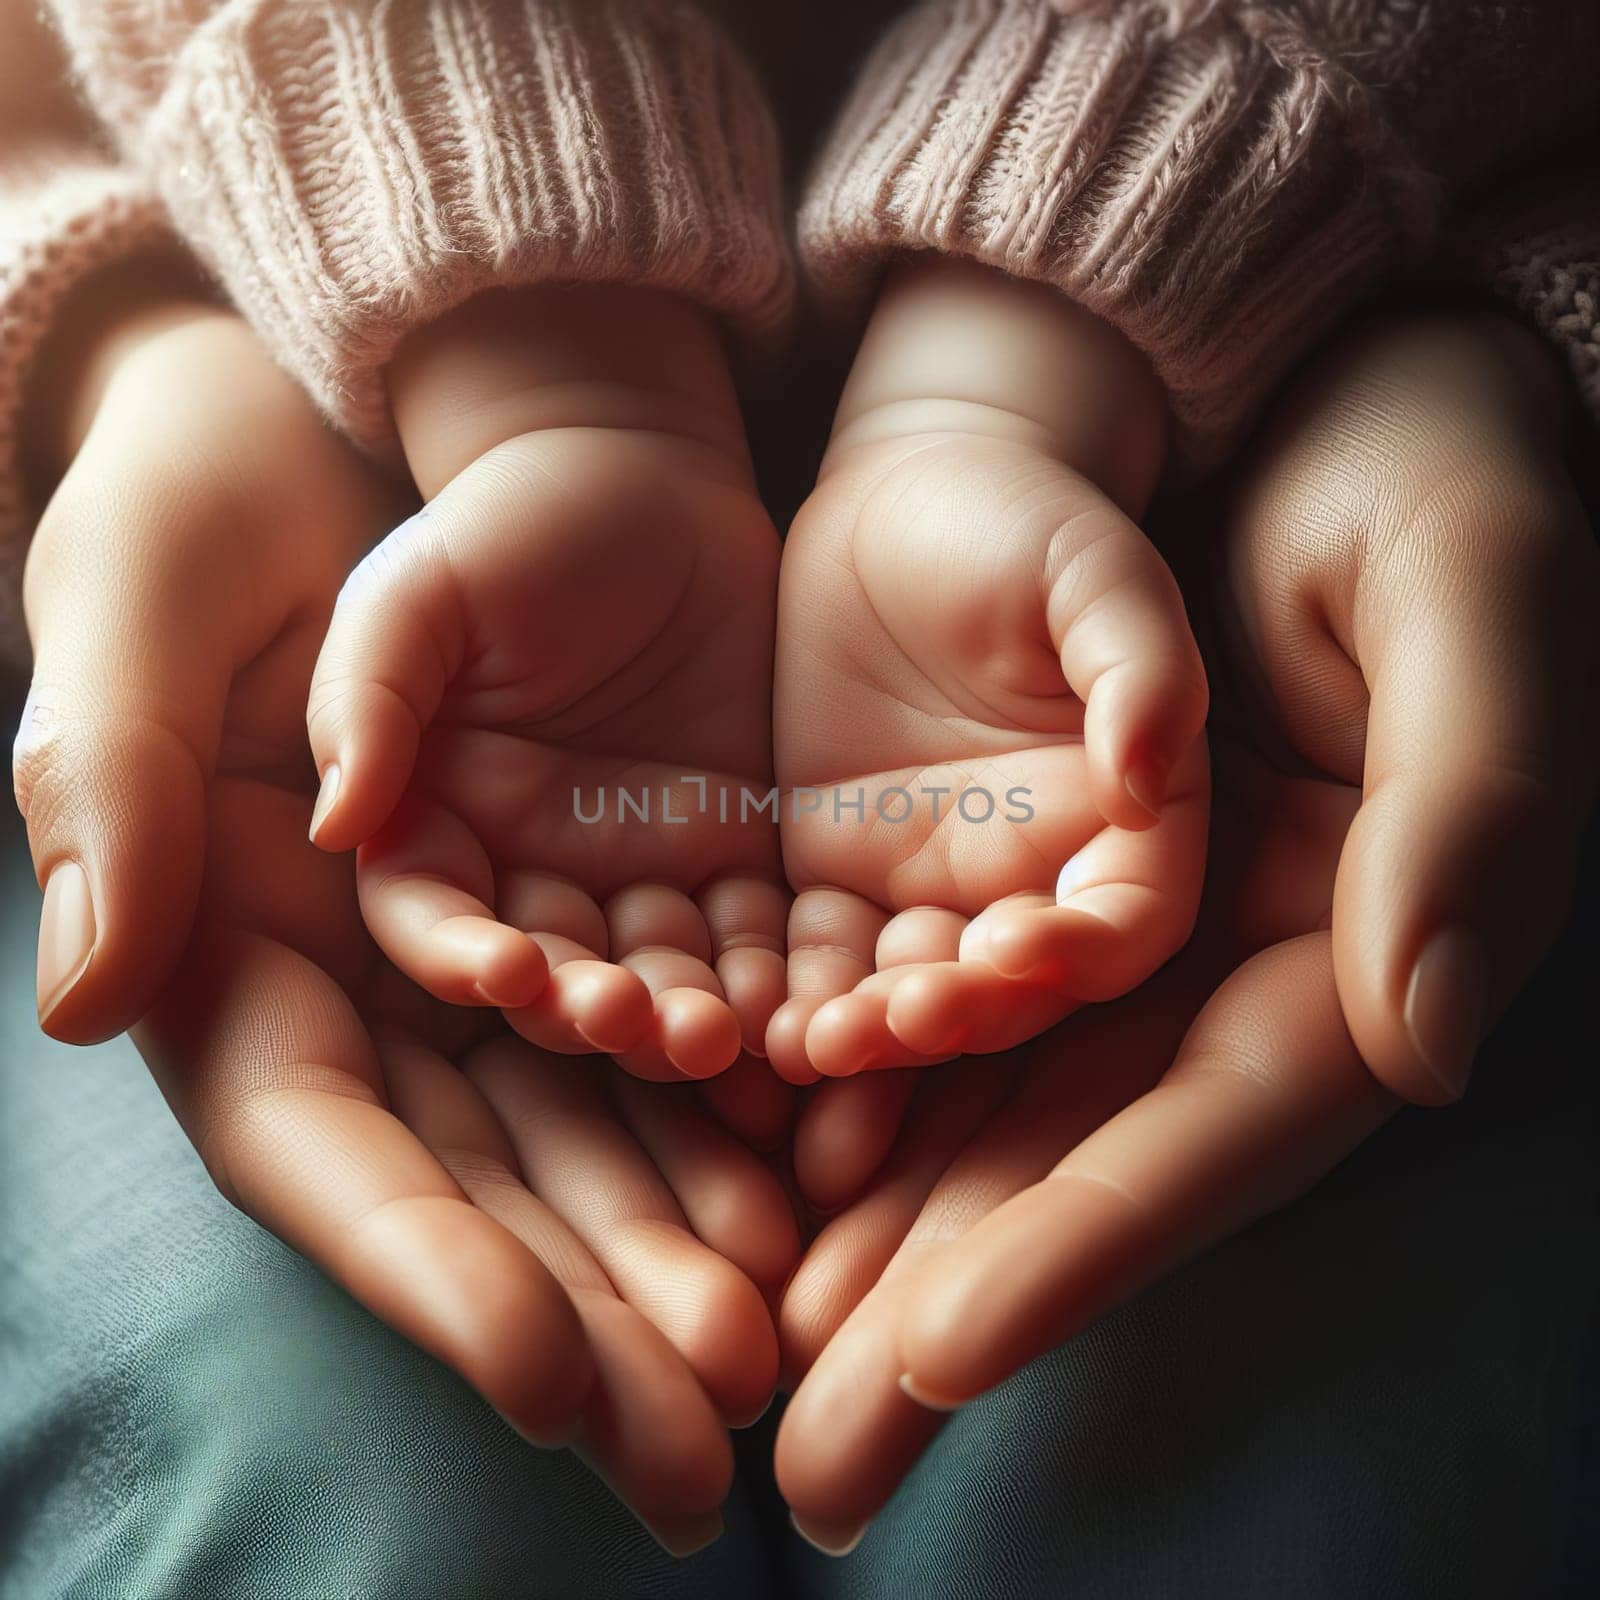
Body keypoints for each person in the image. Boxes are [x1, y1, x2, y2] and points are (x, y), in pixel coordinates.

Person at [2, 0, 1596, 1588]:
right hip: (316, 515)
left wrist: (1491, 342)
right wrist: (125, 339)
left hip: (1240, 669)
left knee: (1195, 1488)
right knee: (341, 1490)